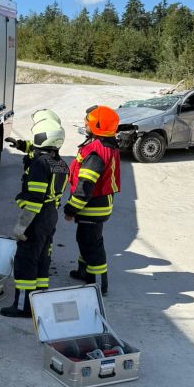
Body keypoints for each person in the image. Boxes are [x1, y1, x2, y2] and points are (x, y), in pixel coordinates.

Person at [0, 113, 68, 318]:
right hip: (51, 215)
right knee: (42, 258)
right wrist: (22, 145)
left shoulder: (39, 164)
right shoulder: (60, 163)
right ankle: (39, 301)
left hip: (36, 217)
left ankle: (22, 307)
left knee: (26, 259)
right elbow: (38, 152)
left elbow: (34, 201)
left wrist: (21, 225)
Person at [63, 104, 121, 296]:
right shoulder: (105, 144)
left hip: (92, 206)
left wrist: (71, 208)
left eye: (87, 122)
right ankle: (83, 272)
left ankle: (96, 285)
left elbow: (86, 186)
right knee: (87, 240)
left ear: (98, 126)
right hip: (100, 204)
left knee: (90, 244)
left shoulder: (95, 152)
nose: (85, 124)